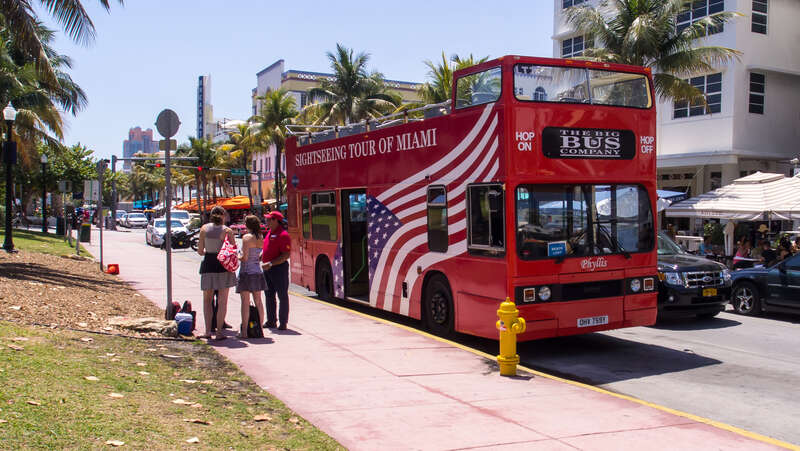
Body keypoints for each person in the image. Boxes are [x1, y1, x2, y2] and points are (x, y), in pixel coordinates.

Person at [196, 206, 237, 340]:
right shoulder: (227, 231)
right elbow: (233, 250)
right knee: (222, 301)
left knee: (207, 300)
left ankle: (208, 331)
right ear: (223, 216)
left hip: (208, 265)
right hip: (223, 266)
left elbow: (200, 251)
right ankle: (219, 331)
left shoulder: (204, 229)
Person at [235, 215, 267, 338]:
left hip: (246, 273)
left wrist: (237, 255)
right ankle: (260, 329)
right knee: (259, 301)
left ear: (247, 225)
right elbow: (261, 256)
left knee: (245, 302)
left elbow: (245, 257)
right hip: (257, 272)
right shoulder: (260, 238)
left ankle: (244, 332)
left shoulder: (246, 238)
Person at [261, 211, 291, 330]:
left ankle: (283, 322)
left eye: (269, 219)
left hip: (278, 269)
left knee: (282, 295)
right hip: (268, 269)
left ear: (275, 220)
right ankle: (271, 320)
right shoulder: (269, 233)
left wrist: (271, 263)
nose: (266, 221)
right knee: (269, 295)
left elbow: (285, 255)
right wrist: (262, 255)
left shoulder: (283, 235)